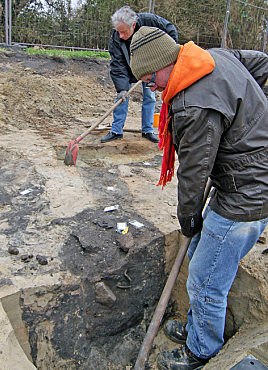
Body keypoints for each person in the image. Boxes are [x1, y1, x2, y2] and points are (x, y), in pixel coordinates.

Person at [130, 26, 268, 369]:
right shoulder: (211, 57)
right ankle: (198, 326)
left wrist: (189, 220)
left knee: (205, 278)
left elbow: (193, 177)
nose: (152, 87)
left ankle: (200, 351)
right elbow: (263, 64)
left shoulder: (192, 104)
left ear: (164, 63)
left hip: (247, 193)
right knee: (201, 258)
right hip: (247, 177)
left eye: (150, 78)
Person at [101, 6, 178, 143]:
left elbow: (171, 32)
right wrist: (122, 88)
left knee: (149, 96)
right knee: (121, 98)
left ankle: (148, 130)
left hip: (151, 66)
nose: (121, 36)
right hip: (129, 67)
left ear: (134, 25)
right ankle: (116, 130)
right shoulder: (116, 36)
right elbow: (117, 64)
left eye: (124, 32)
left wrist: (165, 57)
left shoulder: (150, 21)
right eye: (118, 32)